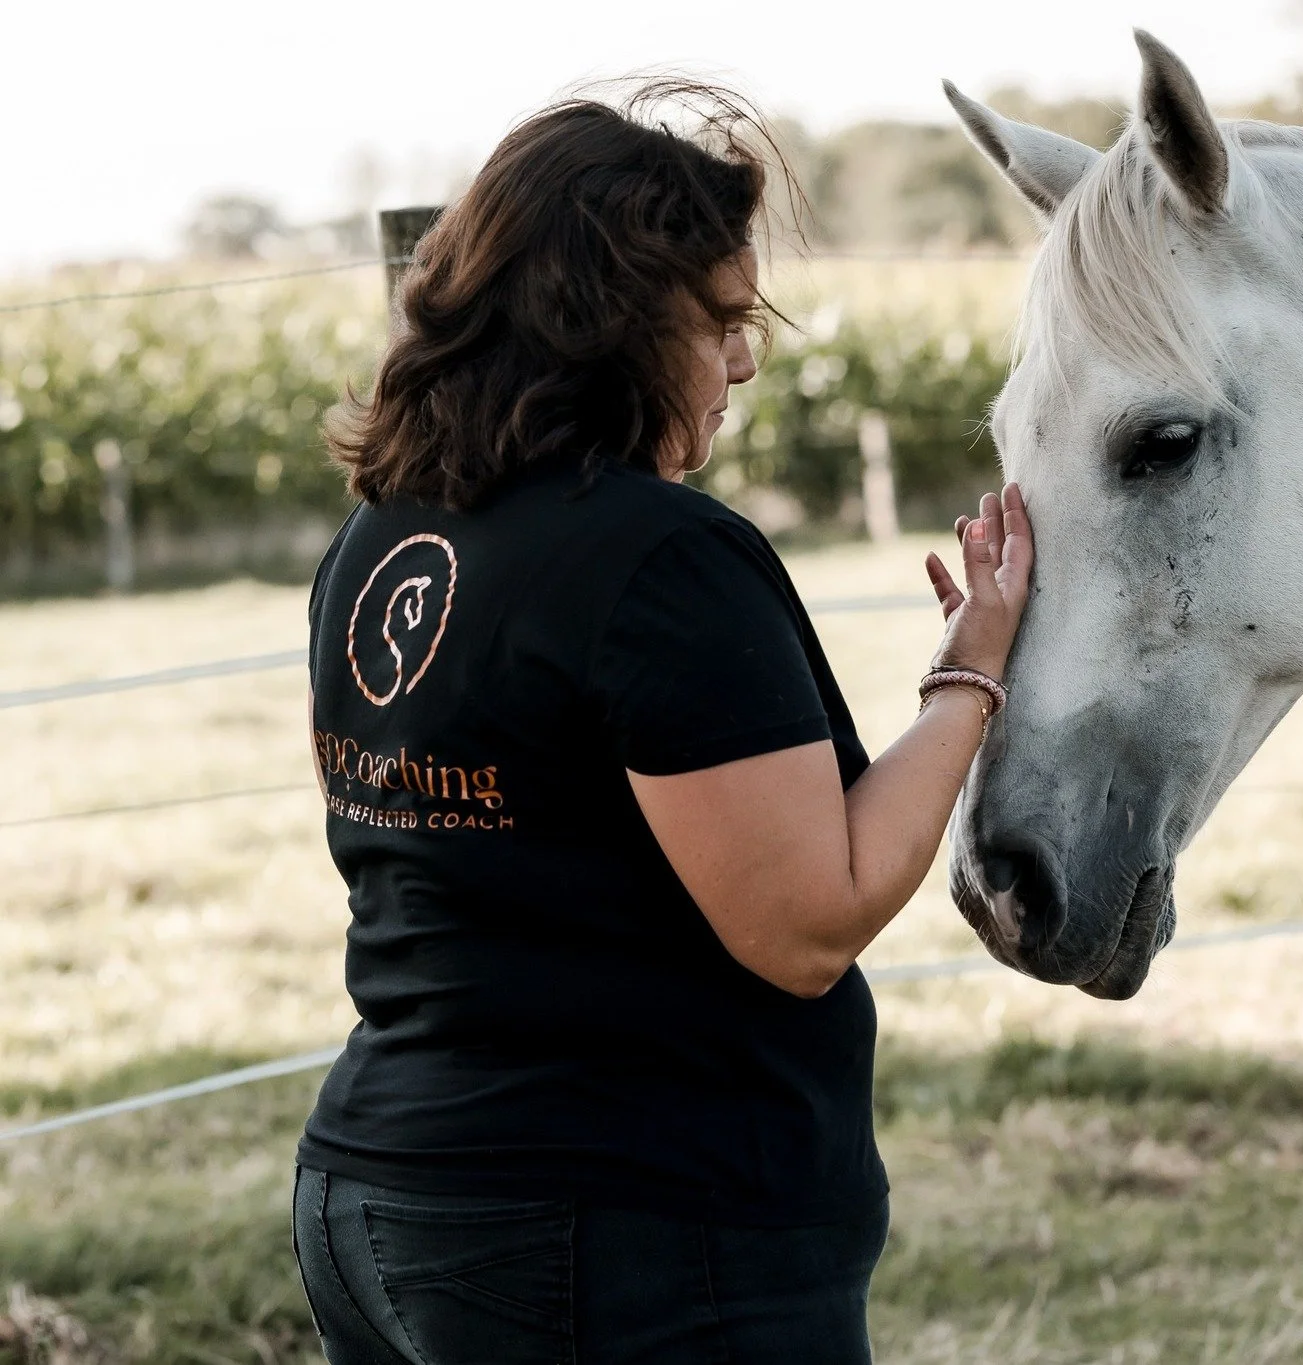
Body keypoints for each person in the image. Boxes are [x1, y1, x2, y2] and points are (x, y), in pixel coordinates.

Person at [291, 82, 1033, 1365]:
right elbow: (811, 920)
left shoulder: (386, 532)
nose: (745, 359)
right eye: (721, 322)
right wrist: (970, 674)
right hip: (624, 1229)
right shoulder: (660, 561)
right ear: (611, 322)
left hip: (377, 1202)